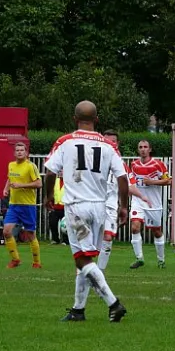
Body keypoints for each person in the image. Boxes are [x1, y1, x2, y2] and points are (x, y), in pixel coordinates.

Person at [45, 100, 128, 323]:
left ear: (75, 119)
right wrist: (123, 206)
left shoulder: (65, 141)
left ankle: (113, 303)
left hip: (76, 206)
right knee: (86, 258)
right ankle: (78, 310)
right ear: (97, 120)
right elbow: (122, 178)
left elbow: (50, 170)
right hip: (100, 207)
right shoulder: (109, 145)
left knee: (82, 260)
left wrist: (49, 196)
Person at [97, 130, 151, 271]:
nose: (109, 144)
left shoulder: (121, 165)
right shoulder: (93, 161)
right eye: (106, 141)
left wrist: (142, 196)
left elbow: (130, 186)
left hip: (110, 206)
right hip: (93, 204)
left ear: (117, 144)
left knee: (108, 238)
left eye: (112, 141)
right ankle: (84, 271)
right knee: (91, 242)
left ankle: (99, 273)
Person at [129, 140, 171, 269]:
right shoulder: (134, 164)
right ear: (138, 150)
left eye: (145, 147)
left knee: (157, 232)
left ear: (150, 149)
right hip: (138, 200)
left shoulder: (158, 165)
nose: (143, 149)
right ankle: (139, 258)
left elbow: (168, 181)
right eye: (140, 147)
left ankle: (161, 260)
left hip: (153, 203)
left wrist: (152, 182)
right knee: (135, 227)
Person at [2, 142, 42, 268]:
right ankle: (15, 260)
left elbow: (39, 183)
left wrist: (21, 185)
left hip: (28, 205)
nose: (19, 152)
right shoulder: (11, 165)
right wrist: (6, 188)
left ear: (26, 153)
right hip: (14, 205)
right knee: (7, 231)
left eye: (22, 150)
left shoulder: (31, 166)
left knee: (30, 235)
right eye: (17, 150)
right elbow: (10, 178)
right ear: (14, 153)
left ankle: (36, 262)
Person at [48, 171, 68, 245]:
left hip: (65, 206)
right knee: (52, 223)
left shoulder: (69, 181)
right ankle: (55, 239)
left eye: (62, 171)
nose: (61, 173)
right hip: (55, 206)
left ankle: (66, 241)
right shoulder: (55, 181)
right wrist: (50, 200)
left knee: (66, 225)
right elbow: (51, 191)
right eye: (59, 171)